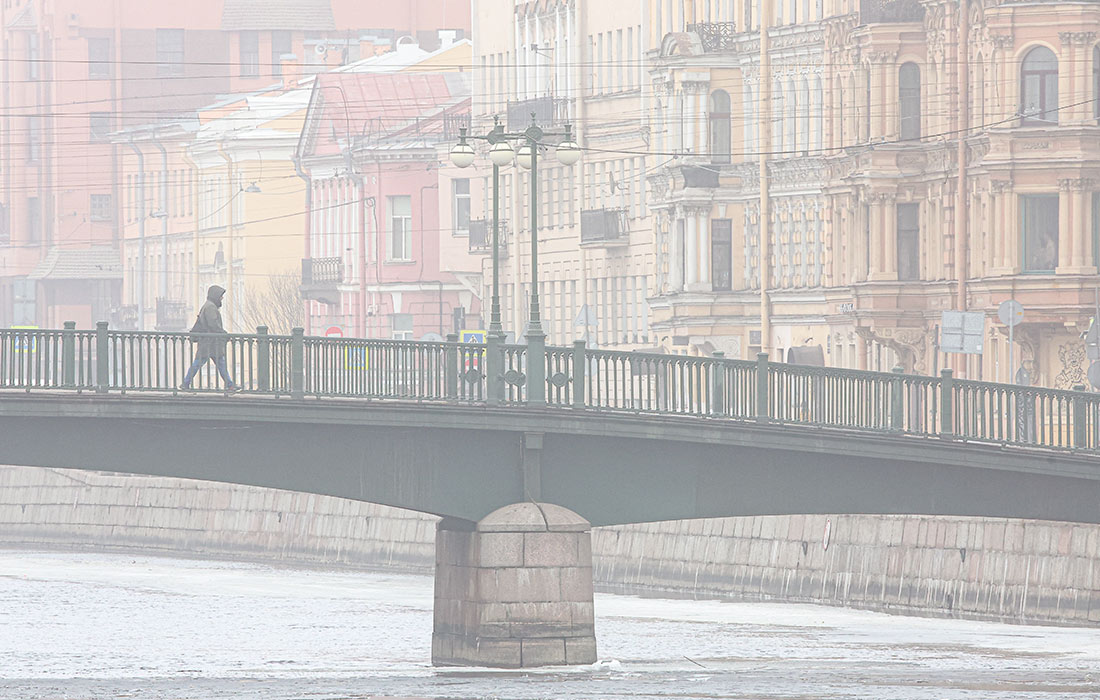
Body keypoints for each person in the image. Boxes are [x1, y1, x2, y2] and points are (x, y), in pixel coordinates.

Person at [181, 285, 238, 391]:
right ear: (215, 296)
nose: (222, 298)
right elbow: (214, 325)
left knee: (217, 363)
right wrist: (224, 334)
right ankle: (185, 383)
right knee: (201, 363)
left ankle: (230, 385)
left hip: (210, 342)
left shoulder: (208, 306)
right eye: (221, 296)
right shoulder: (210, 307)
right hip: (210, 343)